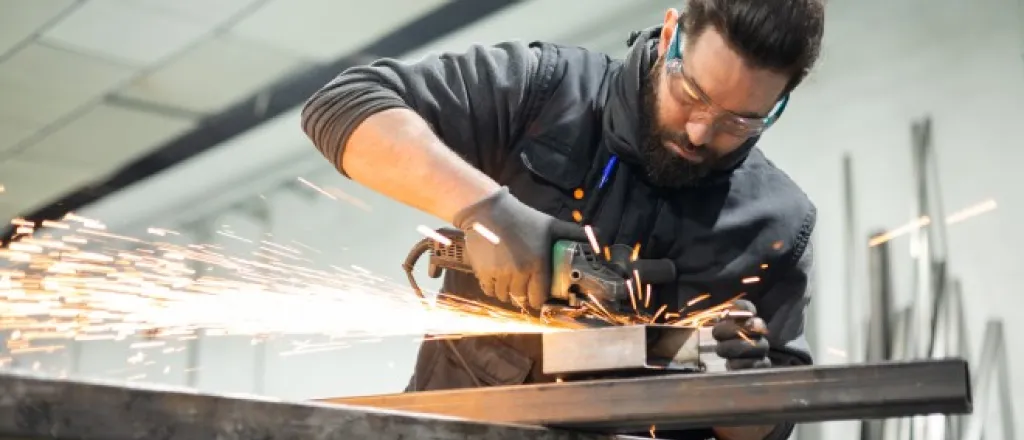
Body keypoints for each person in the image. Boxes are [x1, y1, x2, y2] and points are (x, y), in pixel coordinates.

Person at [301, 0, 824, 438]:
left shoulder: (779, 222)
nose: (699, 133)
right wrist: (489, 211)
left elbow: (772, 429)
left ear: (779, 105)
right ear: (670, 36)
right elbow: (342, 106)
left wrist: (742, 387)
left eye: (739, 121)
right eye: (692, 95)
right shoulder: (546, 92)